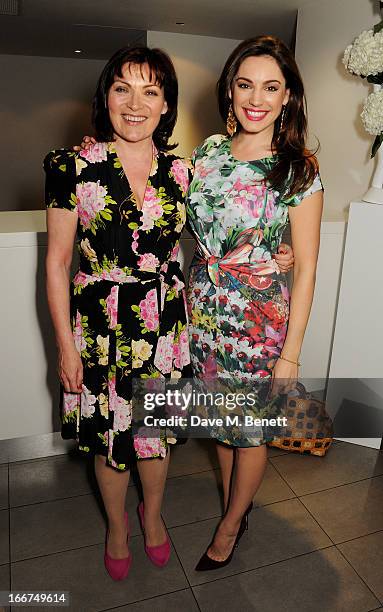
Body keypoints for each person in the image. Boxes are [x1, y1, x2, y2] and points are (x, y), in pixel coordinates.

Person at [44, 46, 194, 580]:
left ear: (166, 104)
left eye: (151, 91)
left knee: (155, 437)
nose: (136, 103)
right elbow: (58, 263)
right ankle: (116, 526)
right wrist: (65, 345)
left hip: (162, 326)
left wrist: (277, 251)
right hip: (99, 332)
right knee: (110, 444)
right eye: (122, 88)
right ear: (105, 96)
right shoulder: (71, 166)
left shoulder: (183, 171)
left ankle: (152, 517)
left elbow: (220, 237)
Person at [186, 35, 323, 570]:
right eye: (246, 84)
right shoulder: (208, 153)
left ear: (288, 96)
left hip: (258, 323)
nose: (256, 98)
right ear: (229, 88)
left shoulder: (298, 169)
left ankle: (230, 524)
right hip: (204, 313)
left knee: (250, 431)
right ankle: (234, 506)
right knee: (221, 422)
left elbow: (308, 265)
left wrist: (290, 354)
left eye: (271, 86)